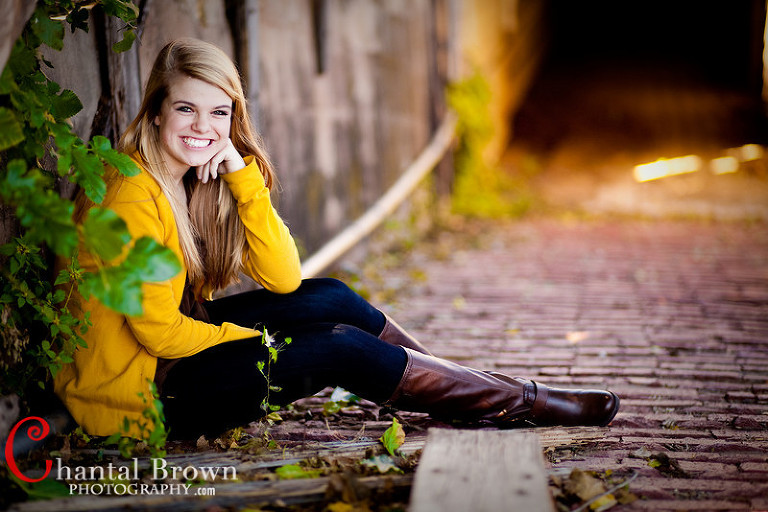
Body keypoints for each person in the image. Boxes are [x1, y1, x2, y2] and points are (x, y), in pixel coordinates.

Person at [54, 38, 619, 440]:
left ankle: (460, 388)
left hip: (171, 361)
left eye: (218, 113)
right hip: (142, 398)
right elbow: (160, 334)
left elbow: (284, 278)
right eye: (186, 109)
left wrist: (240, 175)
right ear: (155, 114)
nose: (203, 127)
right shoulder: (130, 195)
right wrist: (257, 341)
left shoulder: (178, 178)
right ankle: (518, 403)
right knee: (338, 346)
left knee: (328, 298)